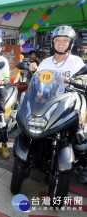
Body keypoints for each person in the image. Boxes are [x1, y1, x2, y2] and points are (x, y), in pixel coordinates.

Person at [29, 25, 87, 183]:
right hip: (47, 103)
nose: (61, 43)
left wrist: (72, 80)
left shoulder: (76, 62)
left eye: (65, 40)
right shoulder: (46, 62)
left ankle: (83, 164)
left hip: (69, 102)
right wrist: (33, 70)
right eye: (58, 40)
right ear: (53, 43)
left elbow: (83, 79)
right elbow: (37, 81)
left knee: (79, 131)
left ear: (71, 43)